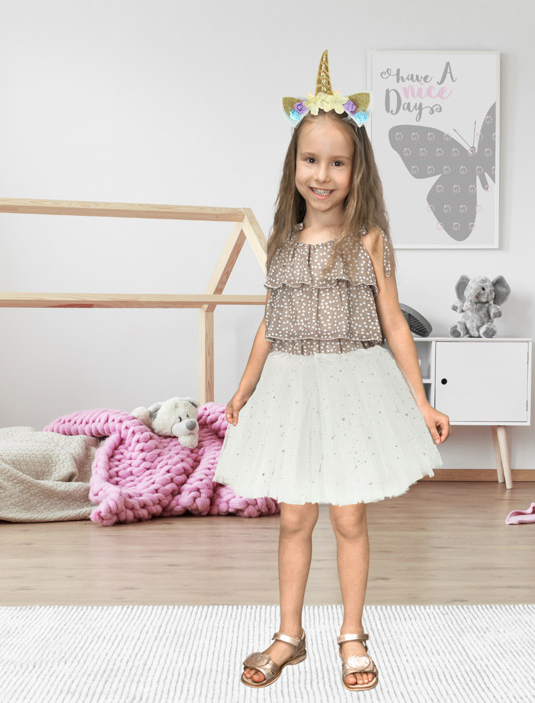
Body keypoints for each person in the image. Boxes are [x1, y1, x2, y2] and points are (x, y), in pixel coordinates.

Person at [213, 50, 450, 692]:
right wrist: (243, 390)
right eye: (311, 160)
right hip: (291, 389)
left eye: (337, 163)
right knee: (295, 518)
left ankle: (352, 633)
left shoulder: (369, 239)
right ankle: (290, 635)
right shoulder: (283, 243)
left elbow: (394, 325)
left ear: (356, 169)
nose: (322, 175)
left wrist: (421, 401)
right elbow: (270, 325)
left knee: (348, 518)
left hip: (352, 387)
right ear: (294, 165)